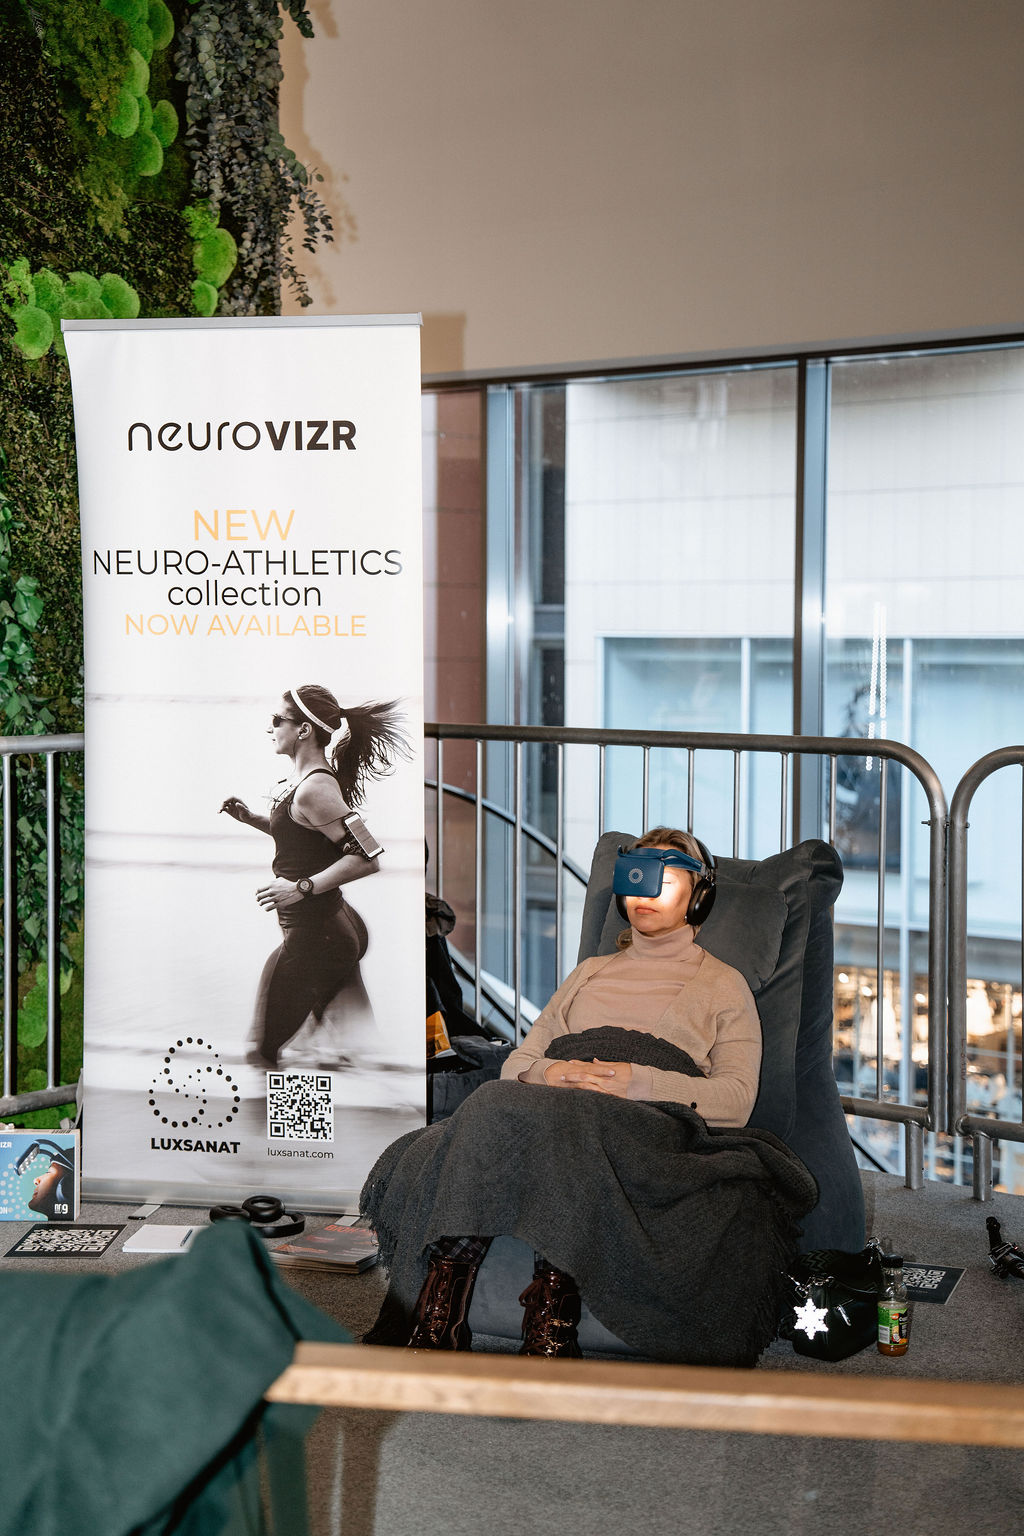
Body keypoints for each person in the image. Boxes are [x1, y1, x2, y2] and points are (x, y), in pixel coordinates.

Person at [361, 828, 817, 1365]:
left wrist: (637, 1082)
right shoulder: (588, 973)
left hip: (646, 1125)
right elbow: (518, 1064)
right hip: (558, 1104)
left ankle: (550, 1315)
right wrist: (554, 1074)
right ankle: (442, 1313)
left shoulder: (723, 984)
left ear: (699, 897)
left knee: (555, 1115)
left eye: (666, 880)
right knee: (492, 1099)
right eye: (636, 878)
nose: (646, 893)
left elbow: (736, 1099)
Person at [220, 685, 409, 1068]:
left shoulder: (315, 788)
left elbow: (368, 857)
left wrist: (301, 888)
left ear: (304, 729)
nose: (271, 728)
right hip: (328, 929)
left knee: (262, 1051)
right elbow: (305, 836)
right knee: (349, 1054)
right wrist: (254, 820)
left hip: (318, 938)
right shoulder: (309, 782)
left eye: (278, 720)